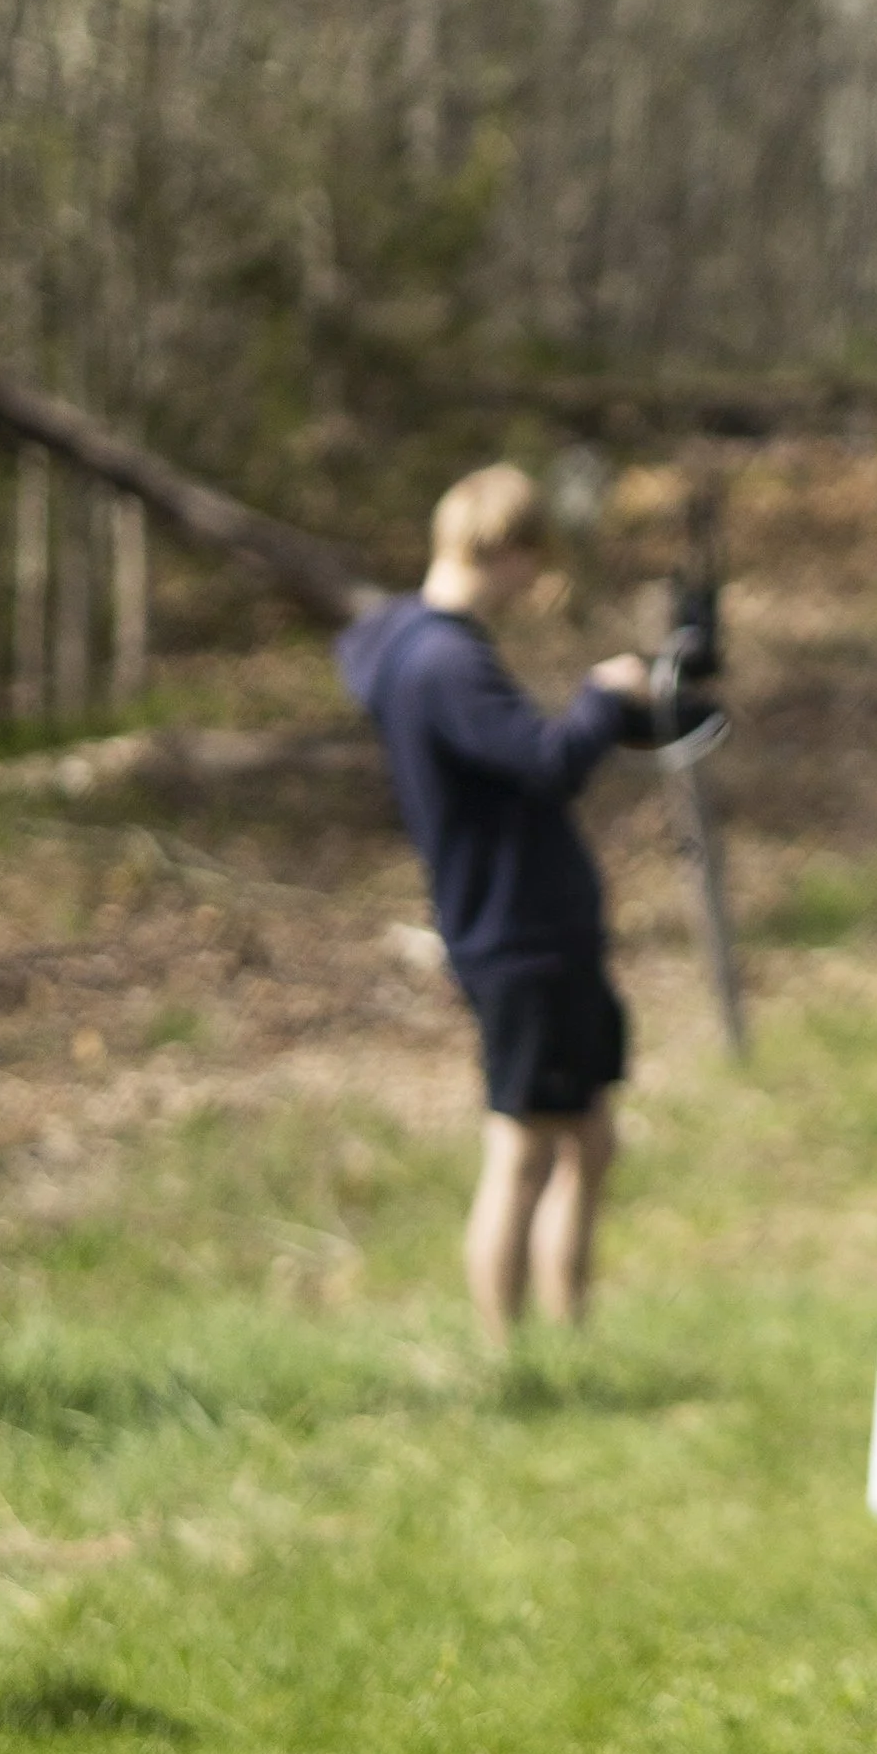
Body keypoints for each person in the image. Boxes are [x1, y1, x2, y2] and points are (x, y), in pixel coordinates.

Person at [338, 463, 653, 1343]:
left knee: (586, 1141)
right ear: (500, 548)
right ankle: (507, 1351)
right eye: (532, 558)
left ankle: (566, 1338)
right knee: (522, 1149)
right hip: (518, 931)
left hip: (522, 922)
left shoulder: (406, 639)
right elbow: (548, 762)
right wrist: (606, 697)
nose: (535, 581)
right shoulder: (442, 659)